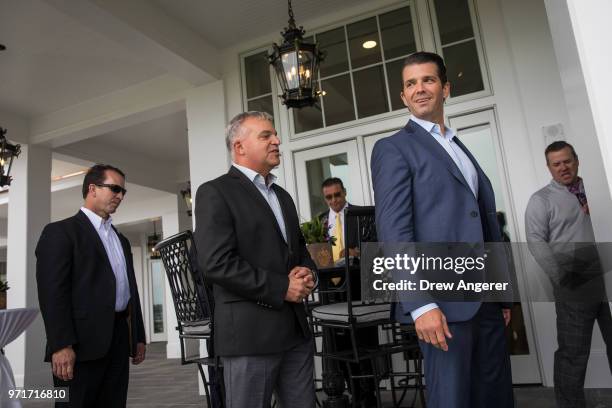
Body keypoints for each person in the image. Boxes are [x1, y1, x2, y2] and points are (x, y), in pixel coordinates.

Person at [370, 51, 514, 408]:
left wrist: (501, 295)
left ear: (445, 88)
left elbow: (483, 222)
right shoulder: (393, 149)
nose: (419, 89)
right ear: (403, 96)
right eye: (410, 83)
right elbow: (394, 232)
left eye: (428, 80)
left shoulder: (459, 148)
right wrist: (420, 305)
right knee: (451, 400)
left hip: (486, 300)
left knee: (494, 397)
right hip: (442, 303)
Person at [193, 111, 317, 408]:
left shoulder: (283, 196)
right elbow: (216, 264)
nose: (277, 141)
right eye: (266, 136)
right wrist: (281, 288)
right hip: (250, 334)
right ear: (240, 147)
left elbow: (299, 253)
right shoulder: (214, 192)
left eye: (275, 135)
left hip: (295, 331)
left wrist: (309, 274)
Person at [36, 164, 146, 408]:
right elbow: (53, 294)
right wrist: (61, 345)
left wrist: (137, 335)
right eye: (115, 188)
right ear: (92, 189)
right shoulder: (61, 233)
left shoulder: (121, 239)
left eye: (123, 192)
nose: (120, 195)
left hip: (117, 339)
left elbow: (130, 290)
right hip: (79, 344)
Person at [525, 141, 612, 408]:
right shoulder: (541, 200)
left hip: (606, 277)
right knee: (573, 354)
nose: (563, 167)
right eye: (556, 164)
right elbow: (536, 242)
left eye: (567, 161)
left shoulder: (598, 188)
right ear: (549, 167)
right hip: (574, 283)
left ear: (577, 160)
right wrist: (561, 277)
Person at [318, 177, 359, 261]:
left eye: (337, 195)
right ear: (325, 198)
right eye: (329, 197)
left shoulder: (360, 214)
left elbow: (375, 246)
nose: (334, 200)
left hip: (357, 270)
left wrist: (357, 252)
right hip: (330, 273)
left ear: (345, 192)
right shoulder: (319, 221)